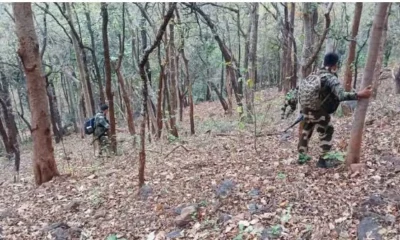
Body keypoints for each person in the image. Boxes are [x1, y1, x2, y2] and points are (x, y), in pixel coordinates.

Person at [297, 52, 372, 168]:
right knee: (327, 131)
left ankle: (301, 158)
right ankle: (323, 160)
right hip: (319, 112)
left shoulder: (313, 75)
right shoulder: (330, 78)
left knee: (306, 132)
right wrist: (359, 94)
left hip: (306, 110)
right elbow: (341, 95)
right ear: (334, 65)